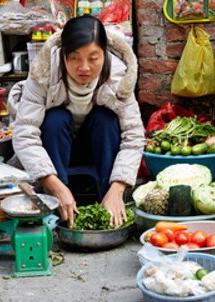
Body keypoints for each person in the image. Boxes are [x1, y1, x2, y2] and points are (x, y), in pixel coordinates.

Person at [9, 15, 145, 228]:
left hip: (96, 146)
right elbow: (25, 134)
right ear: (63, 55)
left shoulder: (119, 76)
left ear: (105, 54)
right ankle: (57, 206)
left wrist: (118, 188)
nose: (84, 68)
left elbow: (134, 136)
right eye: (74, 58)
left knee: (106, 119)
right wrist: (54, 186)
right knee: (55, 119)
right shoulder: (44, 71)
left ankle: (109, 205)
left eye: (93, 58)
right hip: (54, 150)